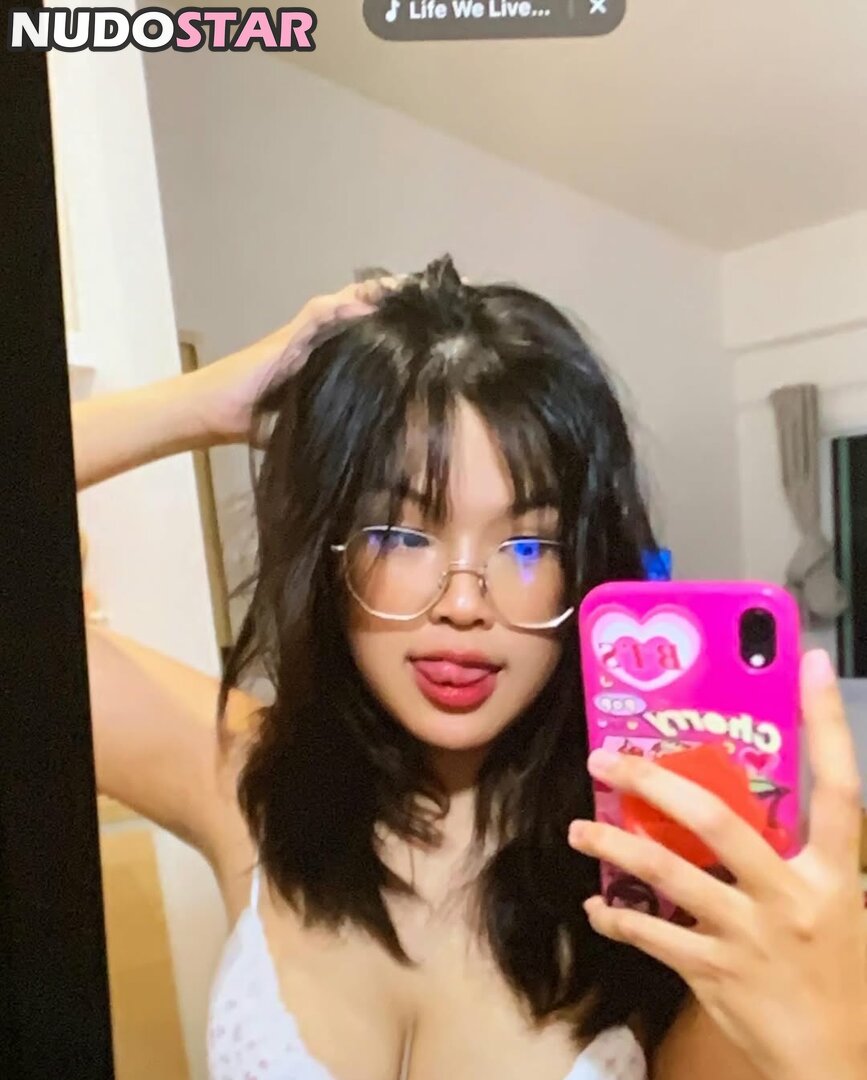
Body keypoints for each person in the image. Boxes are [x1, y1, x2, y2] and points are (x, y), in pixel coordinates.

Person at [74, 257, 866, 1080]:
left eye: (527, 546)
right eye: (401, 534)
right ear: (331, 552)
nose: (462, 603)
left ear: (583, 568)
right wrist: (205, 404)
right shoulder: (251, 778)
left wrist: (831, 1049)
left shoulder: (645, 872)